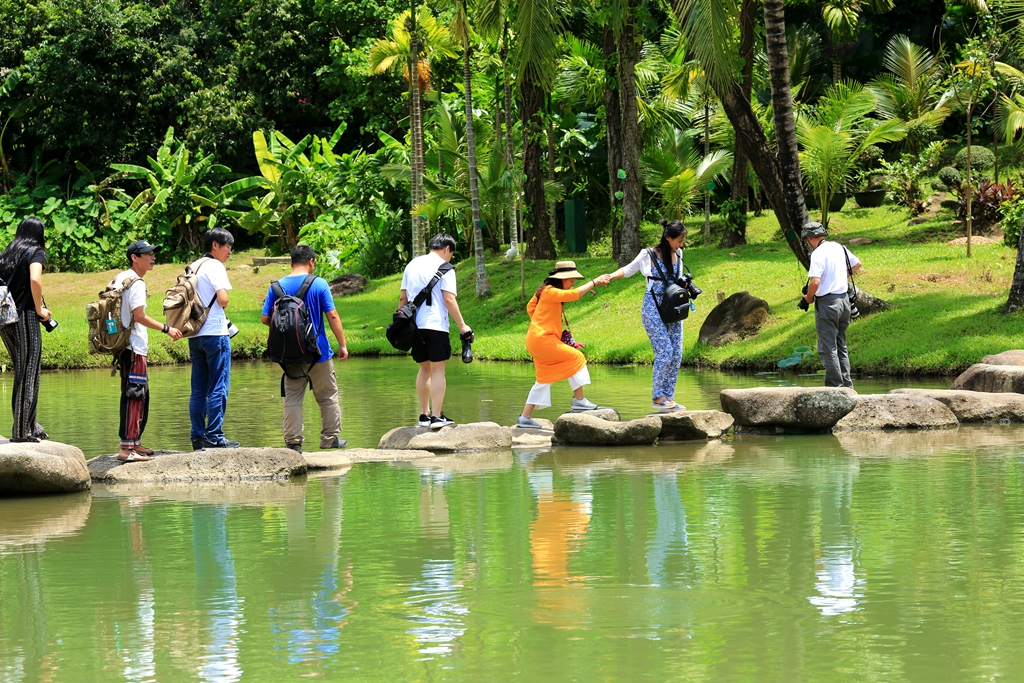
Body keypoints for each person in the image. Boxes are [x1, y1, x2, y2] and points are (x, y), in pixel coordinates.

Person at [261, 245, 349, 453]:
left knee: (292, 397)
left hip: (289, 354)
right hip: (318, 353)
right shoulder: (319, 284)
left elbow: (266, 318)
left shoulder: (276, 286)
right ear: (311, 262)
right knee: (327, 395)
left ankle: (293, 442)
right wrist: (342, 345)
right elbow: (333, 315)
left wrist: (289, 332)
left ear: (291, 263)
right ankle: (329, 438)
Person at [605, 219, 689, 412]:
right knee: (665, 351)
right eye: (679, 240)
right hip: (653, 308)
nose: (681, 244)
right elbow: (628, 270)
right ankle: (658, 397)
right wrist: (610, 276)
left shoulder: (680, 253)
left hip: (674, 308)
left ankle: (668, 398)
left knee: (676, 354)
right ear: (668, 238)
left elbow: (676, 281)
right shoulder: (648, 254)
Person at [517, 261, 610, 428]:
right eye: (571, 279)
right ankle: (579, 400)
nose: (573, 282)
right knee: (577, 357)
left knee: (544, 378)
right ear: (562, 279)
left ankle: (525, 417)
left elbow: (530, 308)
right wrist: (595, 281)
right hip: (543, 340)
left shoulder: (544, 291)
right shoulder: (551, 292)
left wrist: (541, 323)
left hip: (536, 339)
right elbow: (575, 294)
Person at [113, 241, 184, 461]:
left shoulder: (120, 277)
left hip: (123, 345)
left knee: (137, 394)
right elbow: (139, 316)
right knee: (134, 395)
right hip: (134, 346)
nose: (153, 257)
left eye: (153, 253)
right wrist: (167, 328)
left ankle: (135, 443)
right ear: (135, 257)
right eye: (147, 254)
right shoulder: (135, 282)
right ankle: (127, 449)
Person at [399, 233, 473, 429]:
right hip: (435, 325)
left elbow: (402, 299)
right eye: (451, 254)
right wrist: (462, 326)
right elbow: (449, 299)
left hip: (415, 326)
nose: (450, 258)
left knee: (424, 369)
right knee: (438, 370)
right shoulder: (445, 268)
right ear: (447, 249)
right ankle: (437, 417)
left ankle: (424, 415)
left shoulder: (411, 265)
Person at [0, 217, 52, 442]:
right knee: (29, 373)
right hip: (25, 318)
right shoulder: (35, 251)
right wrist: (40, 309)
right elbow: (35, 279)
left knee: (22, 372)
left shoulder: (7, 254)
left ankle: (31, 425)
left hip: (4, 319)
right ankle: (22, 432)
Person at [188, 228, 240, 450]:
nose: (229, 251)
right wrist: (224, 300)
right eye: (227, 246)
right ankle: (215, 436)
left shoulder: (193, 266)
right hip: (215, 334)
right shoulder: (215, 266)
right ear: (215, 245)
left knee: (198, 389)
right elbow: (223, 299)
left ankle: (198, 437)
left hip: (195, 333)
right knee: (219, 386)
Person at [799, 221, 863, 388]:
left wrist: (808, 298)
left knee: (828, 347)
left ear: (810, 238)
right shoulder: (839, 247)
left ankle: (835, 386)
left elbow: (815, 282)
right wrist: (840, 276)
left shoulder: (818, 254)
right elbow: (857, 264)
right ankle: (847, 385)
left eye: (806, 239)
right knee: (841, 344)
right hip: (844, 302)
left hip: (828, 304)